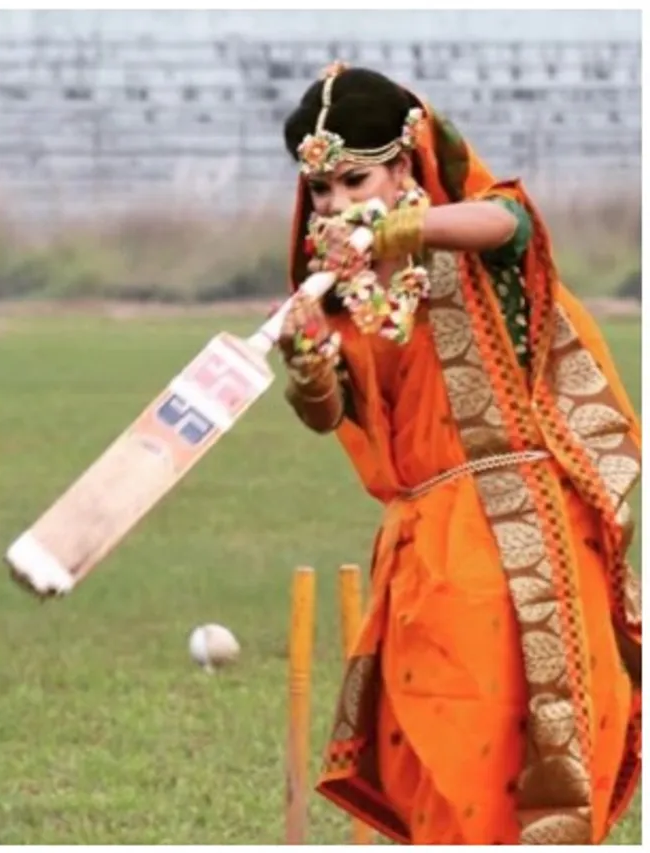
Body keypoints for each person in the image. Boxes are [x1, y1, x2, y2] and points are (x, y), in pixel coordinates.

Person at [274, 63, 640, 845]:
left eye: (355, 180)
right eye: (324, 191)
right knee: (435, 772)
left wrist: (396, 229)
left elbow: (513, 223)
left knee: (540, 769)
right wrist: (308, 373)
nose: (337, 205)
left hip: (527, 541)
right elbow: (334, 415)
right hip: (423, 552)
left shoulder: (471, 242)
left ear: (406, 163)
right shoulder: (337, 295)